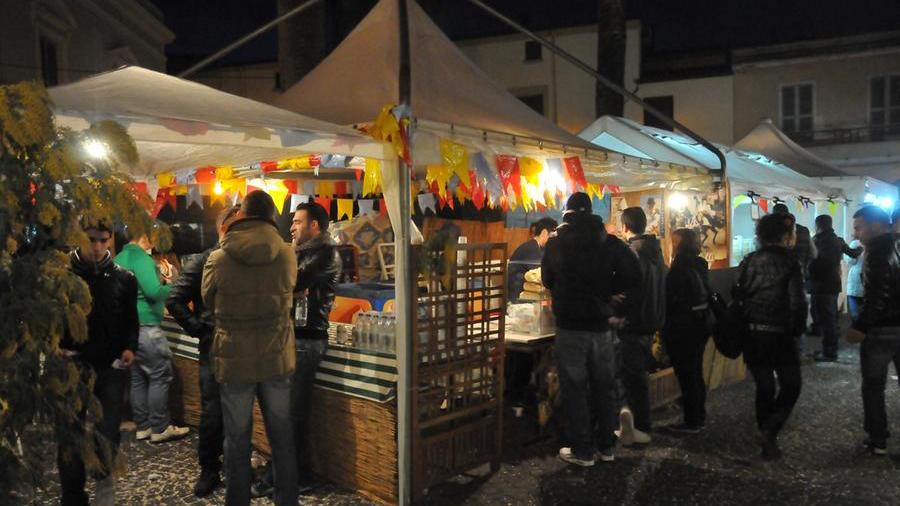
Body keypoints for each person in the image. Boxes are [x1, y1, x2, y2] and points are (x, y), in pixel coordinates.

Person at [202, 190, 299, 506]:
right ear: (273, 216)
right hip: (276, 355)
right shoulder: (287, 253)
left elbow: (207, 299)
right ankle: (287, 501)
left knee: (237, 439)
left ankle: (237, 501)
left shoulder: (218, 258)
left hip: (234, 359)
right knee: (282, 436)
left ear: (242, 214)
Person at [542, 192, 640, 466]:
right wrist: (608, 291)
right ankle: (607, 447)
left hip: (570, 327)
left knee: (575, 388)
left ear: (567, 214)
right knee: (604, 386)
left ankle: (582, 450)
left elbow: (547, 279)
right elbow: (634, 274)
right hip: (600, 327)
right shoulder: (609, 242)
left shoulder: (556, 244)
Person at [251, 202, 341, 498]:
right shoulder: (299, 252)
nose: (291, 227)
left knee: (291, 413)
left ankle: (285, 477)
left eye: (298, 222)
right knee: (285, 412)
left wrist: (286, 280)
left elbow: (292, 280)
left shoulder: (326, 251)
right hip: (290, 336)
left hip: (307, 339)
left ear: (315, 225)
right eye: (292, 222)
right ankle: (284, 474)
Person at [57, 221, 138, 506]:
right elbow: (52, 317)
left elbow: (131, 319)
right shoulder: (62, 276)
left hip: (110, 367)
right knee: (70, 433)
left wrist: (129, 348)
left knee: (109, 431)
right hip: (71, 364)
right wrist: (55, 344)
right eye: (91, 239)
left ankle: (104, 482)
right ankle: (73, 495)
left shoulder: (124, 278)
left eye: (103, 240)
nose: (97, 246)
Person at [165, 204, 241, 497]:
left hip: (243, 348)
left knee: (238, 412)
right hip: (213, 348)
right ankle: (209, 469)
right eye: (236, 225)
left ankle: (234, 467)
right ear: (223, 228)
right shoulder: (203, 260)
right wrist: (200, 329)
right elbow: (174, 300)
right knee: (213, 413)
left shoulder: (244, 261)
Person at [735, 214, 807, 459]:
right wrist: (797, 331)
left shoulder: (749, 260)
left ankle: (766, 437)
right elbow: (798, 303)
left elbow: (739, 294)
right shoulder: (791, 262)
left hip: (752, 332)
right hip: (780, 334)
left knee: (764, 385)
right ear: (786, 236)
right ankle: (769, 430)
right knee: (791, 385)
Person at [114, 231, 189, 443]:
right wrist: (173, 285)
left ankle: (143, 426)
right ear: (144, 235)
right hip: (147, 325)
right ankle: (160, 427)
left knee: (137, 377)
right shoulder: (142, 259)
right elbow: (154, 292)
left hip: (128, 328)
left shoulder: (118, 259)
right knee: (160, 375)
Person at [847, 206, 900, 456]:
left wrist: (860, 326)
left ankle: (877, 440)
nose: (856, 234)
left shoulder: (878, 252)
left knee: (873, 387)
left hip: (882, 331)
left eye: (859, 227)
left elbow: (877, 296)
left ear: (877, 225)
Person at [614, 207, 666, 445]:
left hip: (632, 321)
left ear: (625, 227)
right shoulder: (656, 251)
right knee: (637, 373)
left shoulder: (631, 253)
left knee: (632, 375)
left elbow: (628, 290)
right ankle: (633, 421)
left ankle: (640, 426)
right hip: (651, 320)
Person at [663, 228, 711, 434]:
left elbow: (674, 299)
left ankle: (692, 420)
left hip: (683, 327)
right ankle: (698, 414)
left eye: (674, 242)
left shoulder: (680, 267)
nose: (671, 246)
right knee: (695, 372)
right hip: (700, 324)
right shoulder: (700, 263)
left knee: (687, 374)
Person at [808, 214, 861, 362]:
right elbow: (852, 253)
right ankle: (829, 346)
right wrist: (860, 250)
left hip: (821, 285)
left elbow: (817, 264)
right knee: (829, 317)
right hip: (832, 283)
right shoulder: (838, 240)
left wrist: (807, 270)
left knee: (826, 318)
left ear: (818, 225)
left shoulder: (817, 241)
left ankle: (829, 351)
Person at [507, 217, 558, 298]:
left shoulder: (538, 247)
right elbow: (541, 275)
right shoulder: (531, 248)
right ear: (544, 232)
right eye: (553, 236)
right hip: (518, 297)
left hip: (528, 293)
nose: (554, 240)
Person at [846, 238, 865, 322]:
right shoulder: (878, 243)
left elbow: (850, 261)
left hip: (856, 279)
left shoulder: (855, 243)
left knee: (855, 313)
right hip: (865, 279)